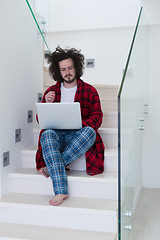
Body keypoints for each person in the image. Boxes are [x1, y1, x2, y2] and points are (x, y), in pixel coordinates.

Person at [35, 46, 105, 206]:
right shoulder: (51, 91)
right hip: (58, 136)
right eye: (63, 69)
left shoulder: (90, 91)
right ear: (58, 71)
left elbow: (97, 118)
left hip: (79, 136)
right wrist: (47, 103)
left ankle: (53, 166)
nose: (67, 72)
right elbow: (42, 121)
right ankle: (61, 191)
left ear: (77, 67)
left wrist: (79, 123)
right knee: (46, 134)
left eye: (70, 68)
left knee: (90, 132)